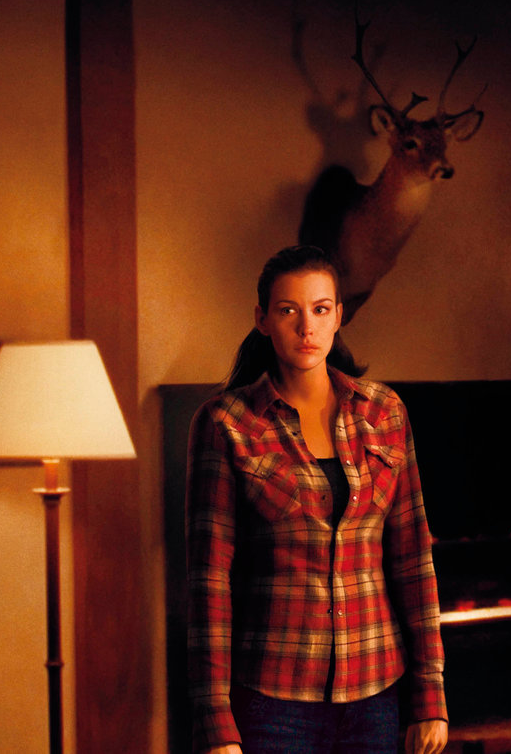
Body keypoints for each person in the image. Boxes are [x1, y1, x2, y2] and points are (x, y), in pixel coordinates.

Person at [187, 245, 449, 754]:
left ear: (338, 316)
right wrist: (215, 721)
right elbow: (209, 581)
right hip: (272, 701)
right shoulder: (225, 423)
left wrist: (430, 695)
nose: (307, 327)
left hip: (376, 693)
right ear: (262, 320)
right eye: (289, 310)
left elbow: (413, 559)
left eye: (320, 309)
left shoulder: (384, 412)